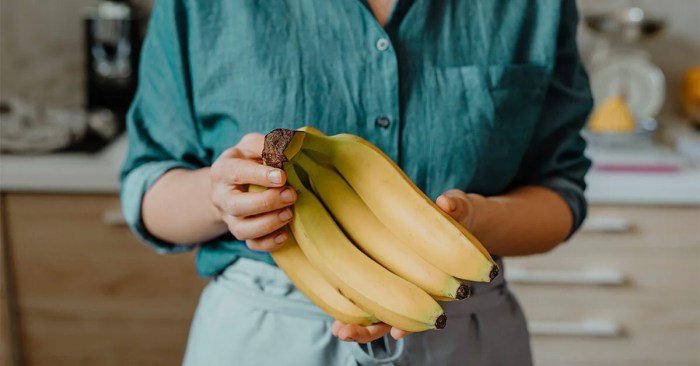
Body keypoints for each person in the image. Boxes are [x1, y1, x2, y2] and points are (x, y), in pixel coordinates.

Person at [120, 0, 593, 364]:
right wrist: (217, 198)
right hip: (265, 337)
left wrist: (475, 222)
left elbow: (560, 188)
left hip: (463, 326)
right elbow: (148, 186)